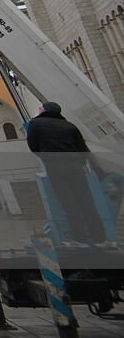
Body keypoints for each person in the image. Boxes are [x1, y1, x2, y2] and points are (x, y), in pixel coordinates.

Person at [27, 101, 106, 245]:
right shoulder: (70, 125)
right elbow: (82, 147)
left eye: (40, 107)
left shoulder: (35, 124)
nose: (39, 109)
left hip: (55, 166)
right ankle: (100, 238)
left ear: (45, 110)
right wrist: (82, 163)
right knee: (87, 202)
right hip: (75, 166)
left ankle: (80, 238)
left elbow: (33, 146)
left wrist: (47, 157)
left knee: (68, 203)